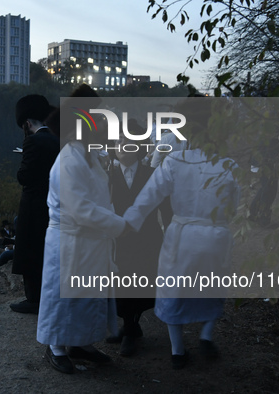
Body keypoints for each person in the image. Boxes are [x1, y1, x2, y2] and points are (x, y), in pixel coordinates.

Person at [123, 98, 241, 369]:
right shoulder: (228, 164)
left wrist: (129, 222)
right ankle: (206, 335)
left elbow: (147, 197)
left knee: (173, 291)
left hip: (183, 236)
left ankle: (177, 351)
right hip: (215, 235)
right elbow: (234, 206)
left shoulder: (175, 161)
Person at [37, 86, 127, 374]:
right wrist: (119, 224)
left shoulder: (89, 156)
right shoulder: (69, 161)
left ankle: (81, 343)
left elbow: (100, 198)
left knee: (87, 295)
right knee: (65, 296)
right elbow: (82, 210)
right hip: (70, 241)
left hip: (89, 240)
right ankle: (56, 347)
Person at [107, 126, 164, 357]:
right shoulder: (107, 174)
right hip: (118, 238)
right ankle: (129, 326)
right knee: (120, 281)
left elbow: (165, 207)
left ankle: (131, 327)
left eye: (128, 140)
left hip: (146, 238)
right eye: (119, 139)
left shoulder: (152, 174)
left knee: (142, 280)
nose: (122, 144)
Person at [10, 94, 60, 314]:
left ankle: (34, 299)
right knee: (45, 252)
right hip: (54, 204)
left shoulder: (32, 141)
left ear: (28, 123)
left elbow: (24, 177)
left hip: (33, 205)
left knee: (29, 251)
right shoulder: (60, 138)